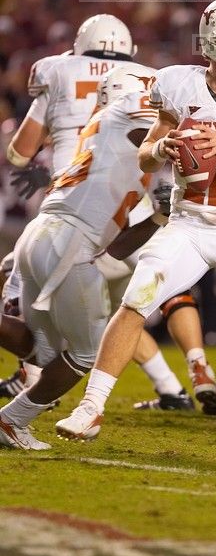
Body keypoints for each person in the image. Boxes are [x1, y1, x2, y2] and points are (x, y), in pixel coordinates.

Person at [56, 0, 216, 467]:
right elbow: (147, 151)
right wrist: (164, 148)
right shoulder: (177, 83)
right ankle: (90, 409)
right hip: (188, 222)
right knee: (135, 301)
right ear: (213, 39)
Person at [0, 63, 165, 449]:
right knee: (86, 354)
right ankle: (11, 420)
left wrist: (159, 216)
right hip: (68, 242)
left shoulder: (107, 141)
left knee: (43, 350)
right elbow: (158, 126)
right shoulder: (126, 113)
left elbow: (118, 246)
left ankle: (11, 421)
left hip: (44, 235)